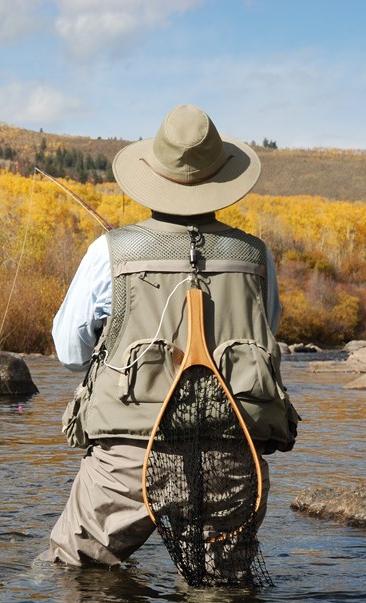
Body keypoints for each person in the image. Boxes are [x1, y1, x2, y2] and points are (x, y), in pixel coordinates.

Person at [41, 104, 298, 570]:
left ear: (154, 175)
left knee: (76, 576)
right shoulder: (256, 256)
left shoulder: (110, 251)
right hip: (232, 453)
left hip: (127, 457)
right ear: (222, 180)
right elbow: (266, 332)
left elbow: (69, 351)